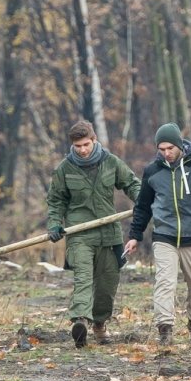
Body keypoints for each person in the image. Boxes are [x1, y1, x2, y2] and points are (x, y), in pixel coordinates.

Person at [47, 120, 141, 349]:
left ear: (94, 140)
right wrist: (54, 224)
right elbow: (56, 201)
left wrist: (143, 202)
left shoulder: (111, 163)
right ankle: (79, 321)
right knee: (83, 279)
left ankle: (99, 324)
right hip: (79, 234)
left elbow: (132, 184)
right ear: (72, 145)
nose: (82, 150)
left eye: (86, 144)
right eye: (78, 146)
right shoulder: (64, 169)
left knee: (107, 285)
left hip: (109, 234)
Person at [124, 122, 191, 346]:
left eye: (170, 148)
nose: (166, 153)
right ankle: (165, 330)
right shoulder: (152, 171)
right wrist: (135, 235)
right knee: (165, 283)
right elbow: (143, 206)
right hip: (164, 235)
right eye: (161, 149)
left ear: (178, 145)